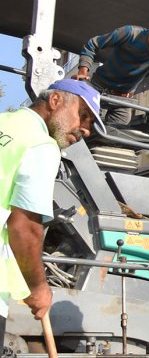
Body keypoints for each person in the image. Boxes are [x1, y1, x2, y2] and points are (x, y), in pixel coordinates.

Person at [0, 80, 97, 332]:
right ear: (55, 101)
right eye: (83, 115)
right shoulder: (41, 145)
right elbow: (24, 226)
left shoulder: (3, 122)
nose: (86, 129)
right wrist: (38, 287)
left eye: (91, 124)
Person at [75, 17, 149, 141]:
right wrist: (83, 71)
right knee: (82, 130)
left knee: (115, 140)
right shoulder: (130, 33)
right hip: (98, 87)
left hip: (123, 98)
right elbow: (92, 44)